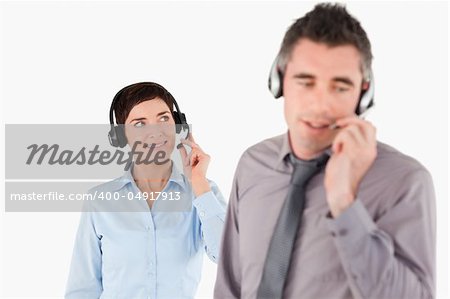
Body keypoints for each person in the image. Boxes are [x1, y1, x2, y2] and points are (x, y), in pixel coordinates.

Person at [214, 3, 436, 299]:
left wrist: (344, 203)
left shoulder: (404, 181)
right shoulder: (253, 164)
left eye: (340, 87)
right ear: (279, 79)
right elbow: (231, 286)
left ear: (364, 93)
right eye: (305, 82)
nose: (320, 105)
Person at [65, 82, 226, 298]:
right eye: (140, 124)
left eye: (164, 118)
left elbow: (227, 256)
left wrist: (199, 183)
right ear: (121, 136)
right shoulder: (99, 201)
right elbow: (83, 288)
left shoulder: (203, 191)